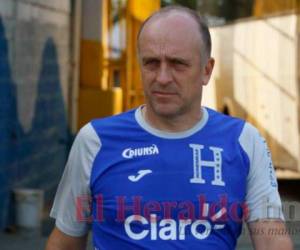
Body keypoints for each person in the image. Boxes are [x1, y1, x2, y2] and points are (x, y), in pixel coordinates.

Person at [46, 5, 293, 250]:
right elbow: (65, 241)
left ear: (206, 70)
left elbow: (272, 239)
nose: (162, 78)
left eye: (177, 64)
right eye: (151, 63)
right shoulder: (95, 141)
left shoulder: (243, 141)